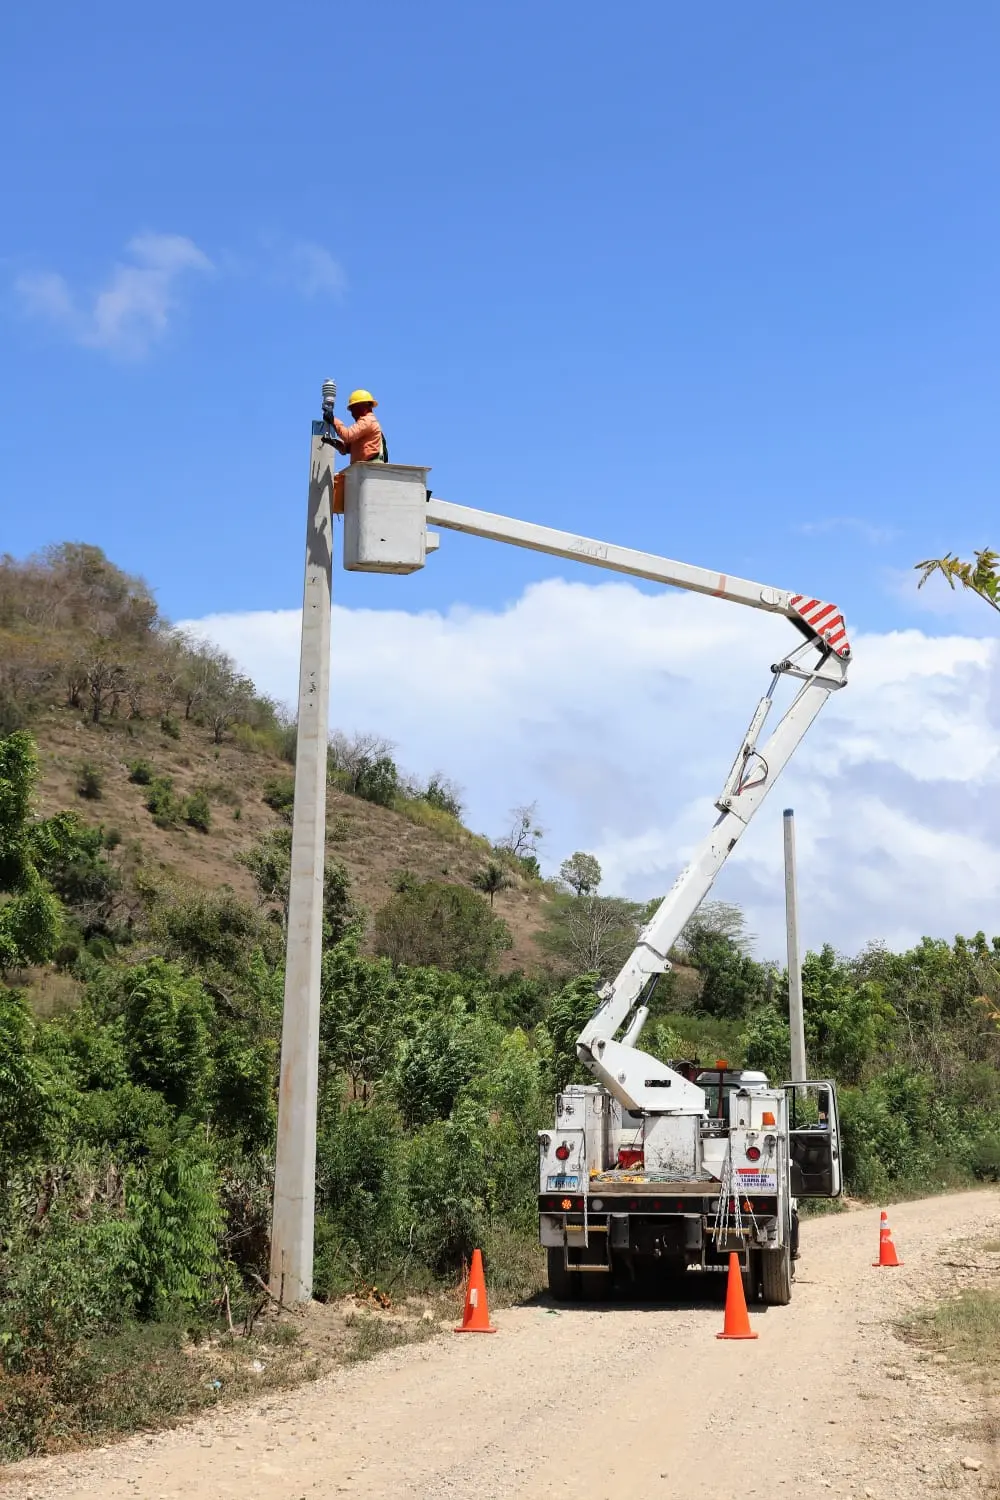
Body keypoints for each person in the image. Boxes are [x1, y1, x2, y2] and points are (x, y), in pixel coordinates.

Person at [330, 389, 388, 465]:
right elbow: (346, 449)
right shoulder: (367, 423)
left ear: (365, 406)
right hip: (363, 467)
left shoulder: (368, 421)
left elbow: (347, 435)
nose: (352, 413)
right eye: (352, 410)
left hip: (369, 467)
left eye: (354, 408)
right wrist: (333, 442)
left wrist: (332, 419)